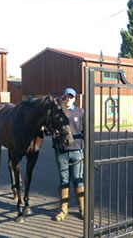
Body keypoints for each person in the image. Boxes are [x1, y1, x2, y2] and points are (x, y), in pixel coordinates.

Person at [53, 87, 84, 222]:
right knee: (64, 179)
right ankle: (63, 210)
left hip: (77, 150)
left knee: (78, 179)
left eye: (71, 97)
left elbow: (85, 131)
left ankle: (82, 209)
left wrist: (86, 149)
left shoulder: (80, 112)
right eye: (66, 97)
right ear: (63, 97)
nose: (68, 99)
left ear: (75, 98)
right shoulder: (57, 112)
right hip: (62, 152)